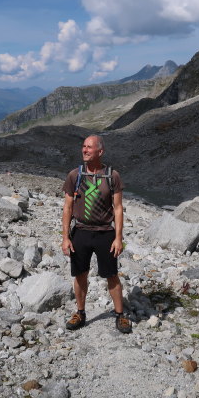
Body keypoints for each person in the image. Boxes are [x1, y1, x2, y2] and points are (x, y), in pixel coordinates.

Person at [61, 135, 132, 333]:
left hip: (104, 233)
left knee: (111, 275)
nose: (84, 150)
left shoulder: (112, 176)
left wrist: (118, 238)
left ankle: (120, 315)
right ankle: (80, 313)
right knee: (80, 274)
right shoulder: (75, 175)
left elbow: (118, 209)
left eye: (89, 147)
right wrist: (65, 237)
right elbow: (67, 208)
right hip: (81, 231)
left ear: (100, 152)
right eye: (83, 146)